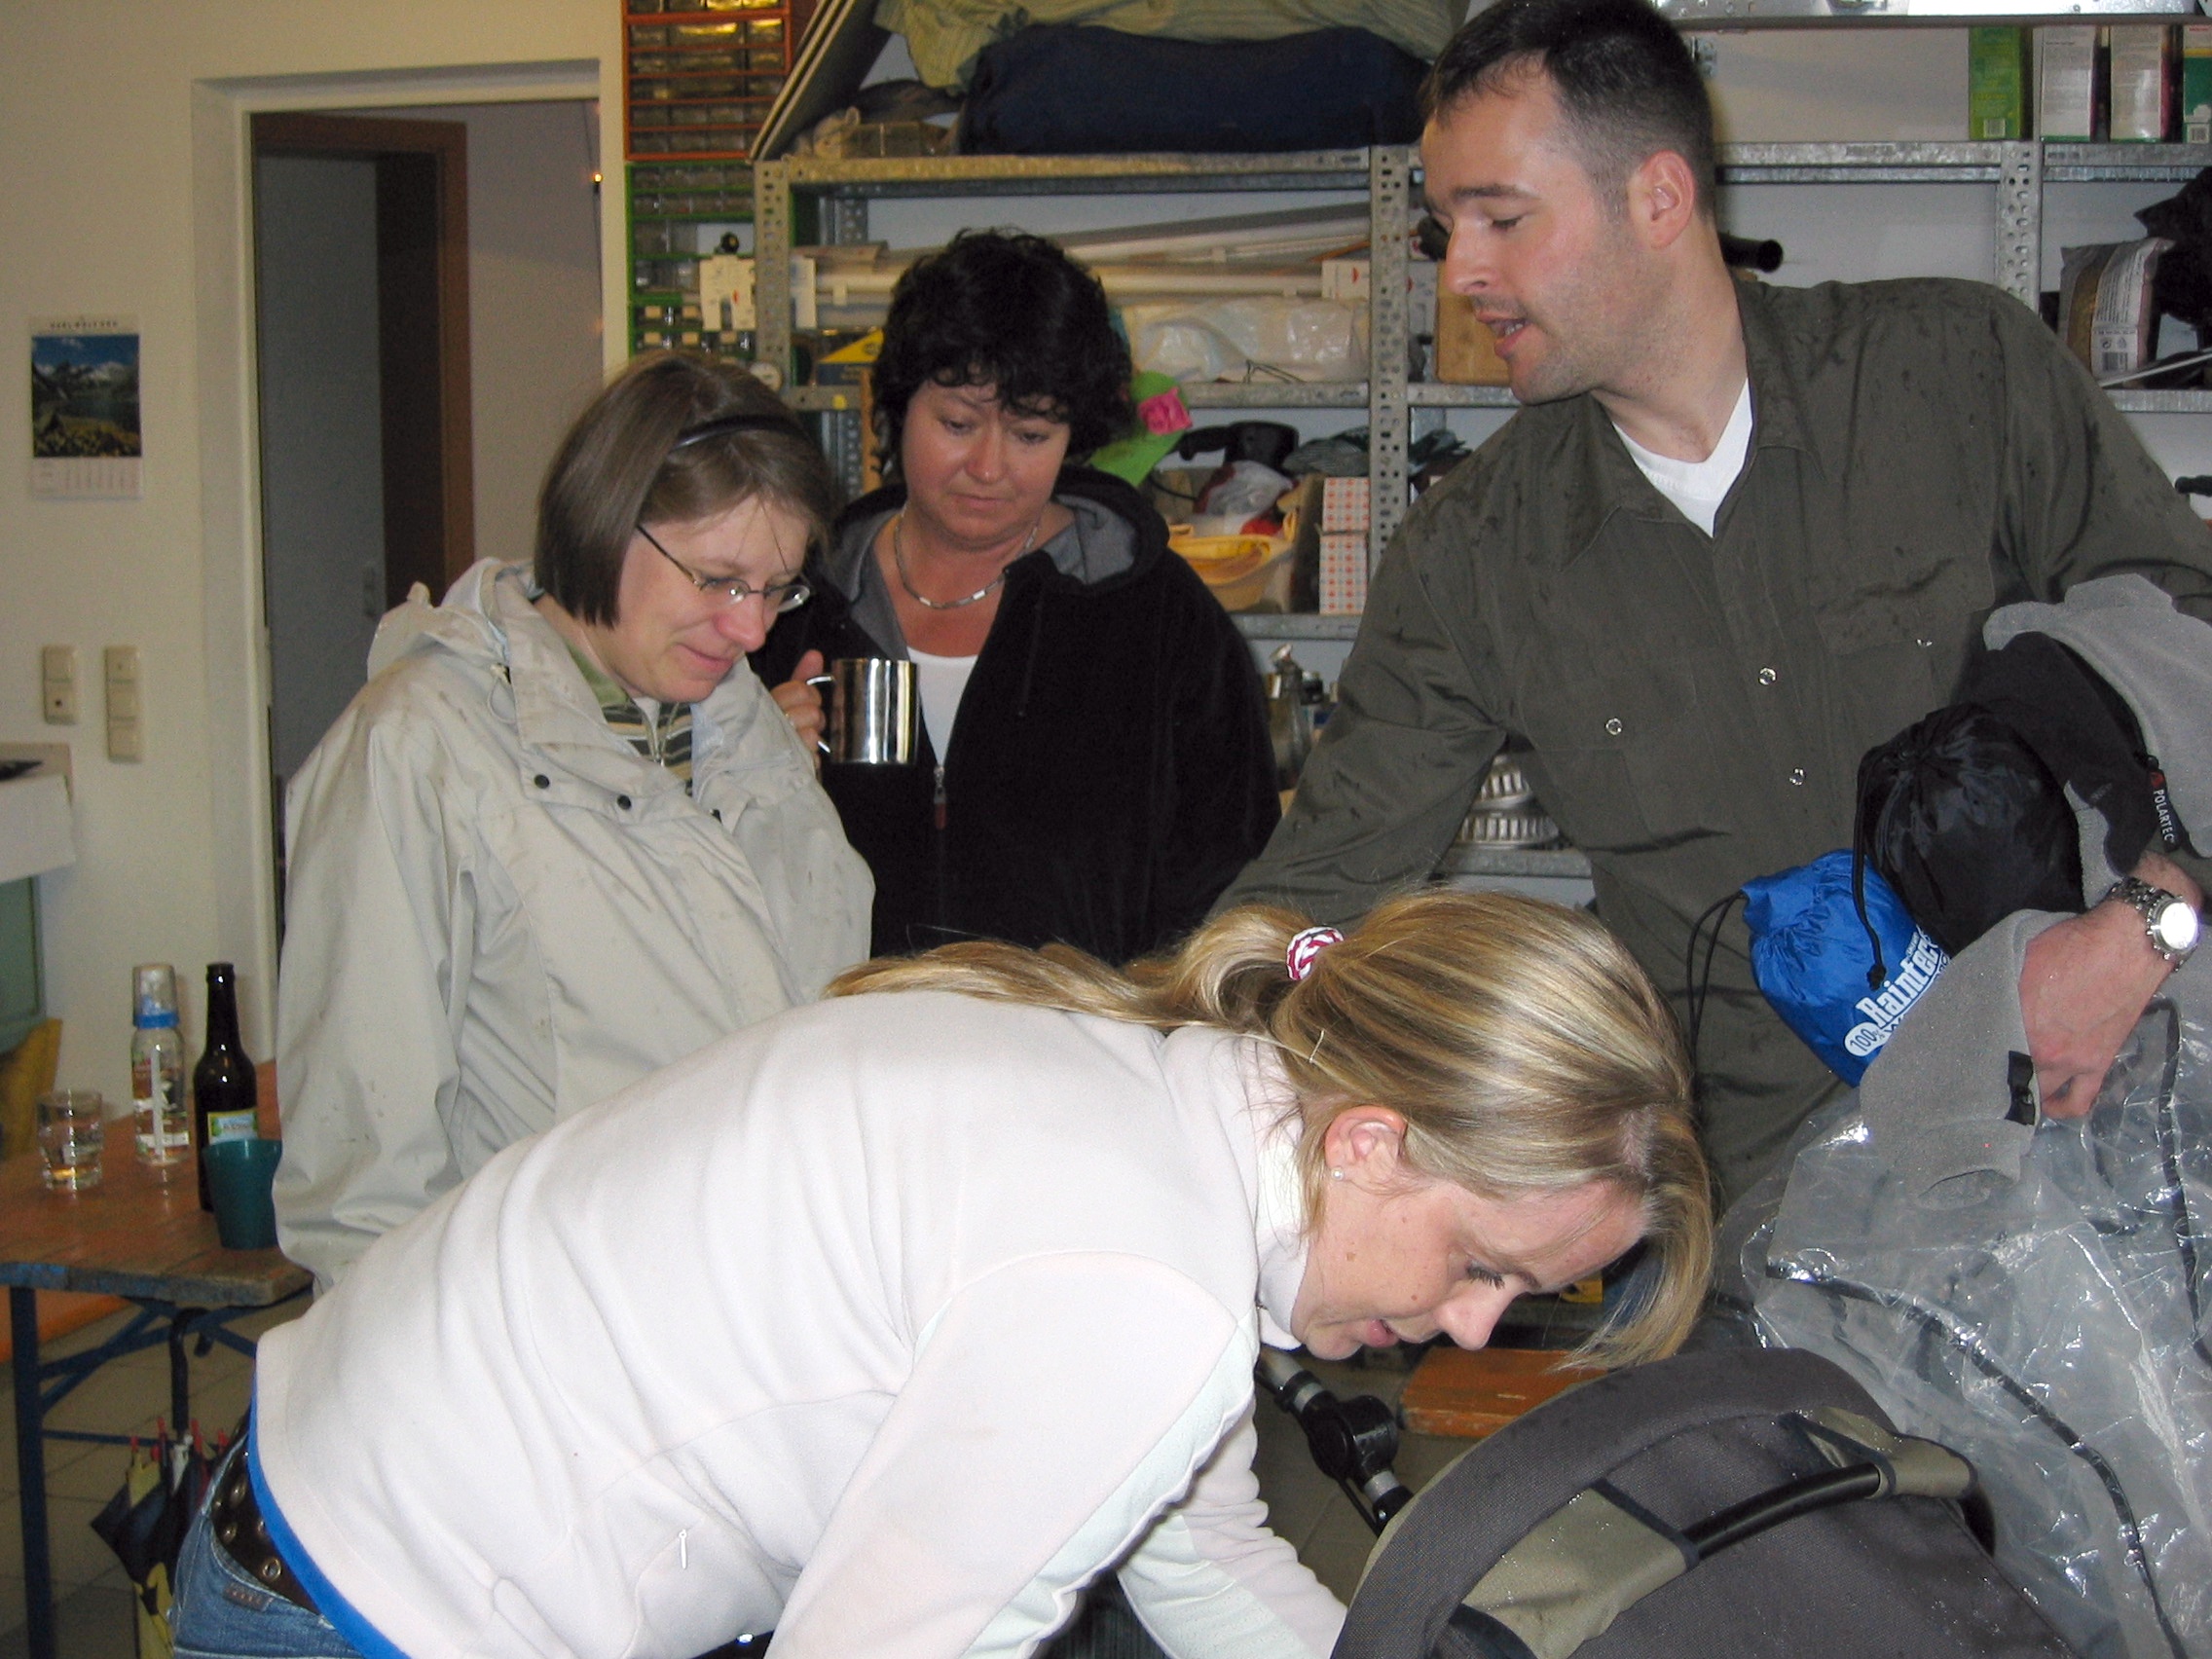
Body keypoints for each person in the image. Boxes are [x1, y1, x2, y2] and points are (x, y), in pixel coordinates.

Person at [1219, 0, 2212, 1204]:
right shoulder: (1473, 554)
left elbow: (2188, 626)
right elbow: (1320, 885)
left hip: (2089, 1147)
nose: (1460, 270)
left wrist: (2150, 921)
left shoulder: (1956, 376)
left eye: (1502, 219)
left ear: (1657, 197)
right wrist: (1163, 1060)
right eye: (1446, 227)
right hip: (1759, 1220)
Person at [171, 889, 1710, 1659]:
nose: (1468, 1328)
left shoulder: (1161, 1099)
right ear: (1369, 1141)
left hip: (321, 1492)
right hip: (389, 1599)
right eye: (1480, 1264)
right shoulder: (1140, 1287)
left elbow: (1195, 1551)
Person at [273, 353, 872, 1291]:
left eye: (778, 588)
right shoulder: (418, 749)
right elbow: (361, 1184)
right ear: (604, 525)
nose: (752, 630)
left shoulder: (748, 735)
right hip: (543, 1329)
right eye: (718, 579)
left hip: (754, 1311)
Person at [753, 229, 1279, 966]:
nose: (988, 467)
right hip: (843, 1030)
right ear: (897, 406)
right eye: (957, 424)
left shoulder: (1157, 617)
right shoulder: (796, 607)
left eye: (1030, 434)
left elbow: (1232, 880)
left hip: (1084, 1034)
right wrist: (752, 775)